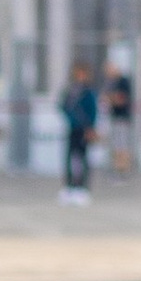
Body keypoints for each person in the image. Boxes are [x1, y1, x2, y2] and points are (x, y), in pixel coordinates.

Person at [59, 59, 99, 204]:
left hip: (85, 129)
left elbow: (93, 111)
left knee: (83, 159)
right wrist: (72, 120)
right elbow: (63, 106)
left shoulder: (88, 92)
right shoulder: (70, 90)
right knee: (70, 157)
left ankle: (82, 187)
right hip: (73, 129)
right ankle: (69, 187)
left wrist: (91, 127)